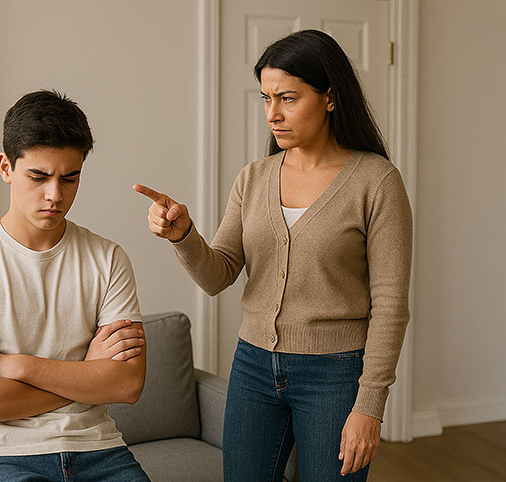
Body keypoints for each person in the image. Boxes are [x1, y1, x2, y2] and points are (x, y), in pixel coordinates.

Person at [134, 30, 412, 481]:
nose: (273, 114)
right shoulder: (254, 178)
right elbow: (218, 275)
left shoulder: (376, 182)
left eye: (287, 98)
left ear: (329, 97)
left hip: (335, 374)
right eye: (266, 99)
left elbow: (391, 306)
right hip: (253, 367)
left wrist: (369, 406)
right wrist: (183, 236)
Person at [0, 89, 151, 481]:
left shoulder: (108, 259)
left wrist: (20, 366)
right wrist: (86, 374)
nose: (55, 195)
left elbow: (128, 384)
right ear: (5, 167)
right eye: (39, 177)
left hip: (98, 450)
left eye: (70, 178)